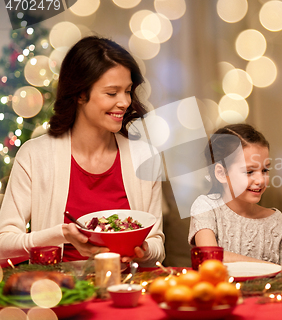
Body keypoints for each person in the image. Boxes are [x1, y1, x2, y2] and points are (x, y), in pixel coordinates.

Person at [0, 36, 165, 267]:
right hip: (58, 293)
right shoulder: (34, 155)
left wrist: (144, 250)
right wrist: (61, 234)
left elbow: (157, 243)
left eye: (127, 91)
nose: (125, 102)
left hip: (125, 290)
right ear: (79, 94)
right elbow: (3, 247)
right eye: (111, 93)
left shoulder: (145, 156)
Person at [188, 124, 282, 264]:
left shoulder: (279, 223)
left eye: (265, 170)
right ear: (221, 173)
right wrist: (269, 267)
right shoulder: (205, 207)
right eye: (249, 171)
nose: (261, 180)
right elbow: (210, 257)